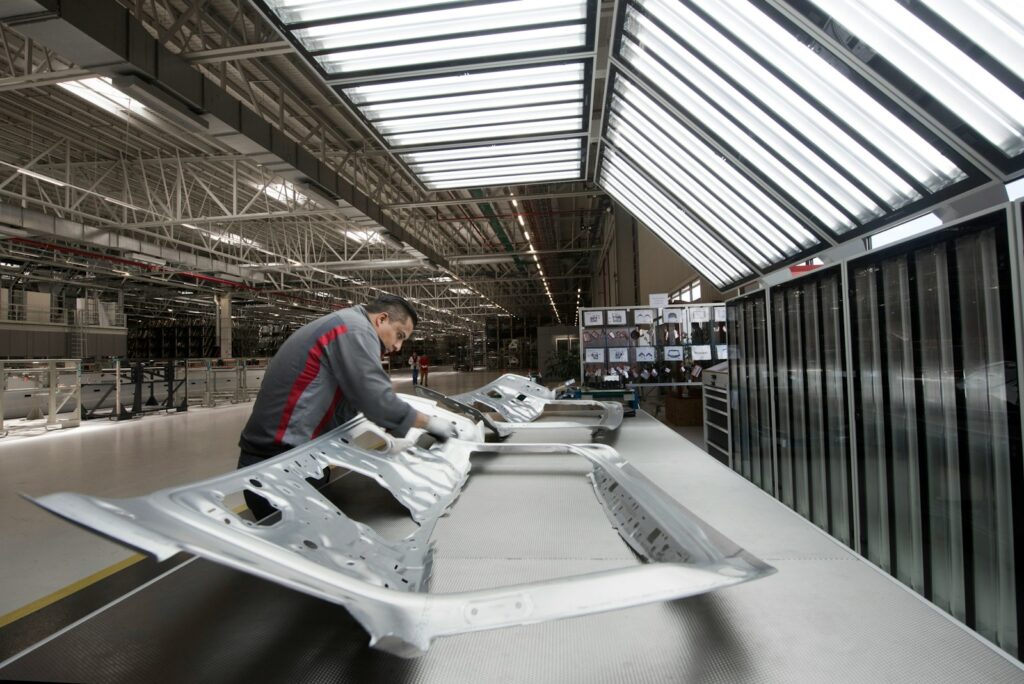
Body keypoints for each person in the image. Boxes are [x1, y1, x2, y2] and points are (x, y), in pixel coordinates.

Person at [237, 295, 457, 520]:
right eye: (399, 335)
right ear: (381, 319)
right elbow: (376, 400)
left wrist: (390, 434)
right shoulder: (355, 330)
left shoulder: (346, 325)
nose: (398, 347)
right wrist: (429, 423)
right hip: (279, 462)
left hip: (297, 457)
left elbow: (350, 401)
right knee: (294, 542)